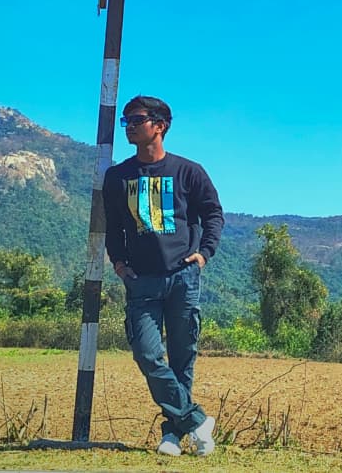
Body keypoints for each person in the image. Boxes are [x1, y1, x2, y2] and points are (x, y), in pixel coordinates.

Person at [103, 95, 225, 456]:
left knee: (182, 358)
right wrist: (119, 264)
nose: (129, 126)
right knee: (147, 354)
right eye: (125, 121)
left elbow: (213, 214)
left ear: (160, 125)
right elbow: (113, 228)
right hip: (141, 281)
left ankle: (173, 435)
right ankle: (197, 420)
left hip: (183, 277)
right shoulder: (118, 176)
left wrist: (204, 254)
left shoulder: (189, 171)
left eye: (136, 119)